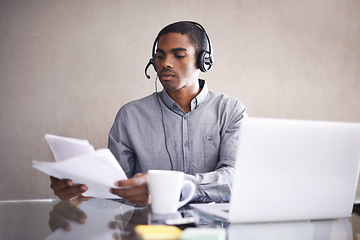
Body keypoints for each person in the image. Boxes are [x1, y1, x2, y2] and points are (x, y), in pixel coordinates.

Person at [50, 21, 247, 206]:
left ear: (203, 61)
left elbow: (236, 179)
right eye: (160, 56)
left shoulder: (231, 111)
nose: (165, 63)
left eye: (178, 55)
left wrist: (170, 186)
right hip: (148, 229)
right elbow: (116, 187)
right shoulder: (130, 116)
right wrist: (81, 191)